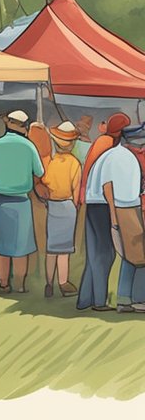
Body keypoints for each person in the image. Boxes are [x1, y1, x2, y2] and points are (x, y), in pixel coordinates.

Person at [0, 110, 43, 294]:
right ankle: (20, 285)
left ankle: (3, 283)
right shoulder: (29, 147)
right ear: (25, 126)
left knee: (2, 248)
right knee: (21, 248)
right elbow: (40, 173)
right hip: (21, 201)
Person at [86, 122, 145, 313]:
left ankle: (96, 300)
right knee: (134, 256)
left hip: (114, 206)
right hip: (121, 208)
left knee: (102, 255)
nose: (142, 147)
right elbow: (108, 187)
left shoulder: (116, 155)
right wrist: (114, 219)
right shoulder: (122, 157)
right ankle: (129, 299)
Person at [77, 112, 134, 311]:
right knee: (103, 253)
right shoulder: (109, 146)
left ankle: (86, 299)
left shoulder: (105, 143)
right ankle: (99, 301)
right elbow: (108, 184)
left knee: (96, 253)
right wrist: (114, 213)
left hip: (94, 201)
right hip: (102, 202)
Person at [40, 122, 82, 298]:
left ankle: (49, 283)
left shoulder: (50, 162)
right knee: (64, 250)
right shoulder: (75, 163)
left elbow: (45, 183)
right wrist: (76, 206)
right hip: (67, 206)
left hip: (52, 205)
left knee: (51, 248)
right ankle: (63, 282)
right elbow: (76, 190)